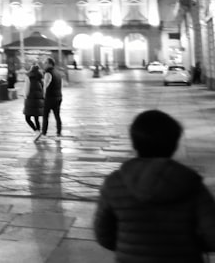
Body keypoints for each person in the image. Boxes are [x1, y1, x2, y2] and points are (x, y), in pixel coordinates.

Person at [93, 109, 215, 260]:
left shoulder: (115, 183)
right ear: (174, 145)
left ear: (135, 144)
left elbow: (103, 235)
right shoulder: (191, 183)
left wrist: (130, 246)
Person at [37, 57, 63, 141]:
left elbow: (45, 86)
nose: (44, 64)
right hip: (58, 96)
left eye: (45, 63)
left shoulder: (48, 73)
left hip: (50, 98)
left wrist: (43, 96)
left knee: (45, 116)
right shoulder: (58, 72)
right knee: (57, 115)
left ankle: (44, 134)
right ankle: (58, 133)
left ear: (49, 64)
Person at [23, 64, 44, 134]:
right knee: (36, 118)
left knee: (27, 118)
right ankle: (38, 131)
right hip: (38, 101)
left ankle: (36, 131)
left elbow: (27, 90)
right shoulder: (40, 78)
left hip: (30, 100)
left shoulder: (28, 77)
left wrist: (25, 97)